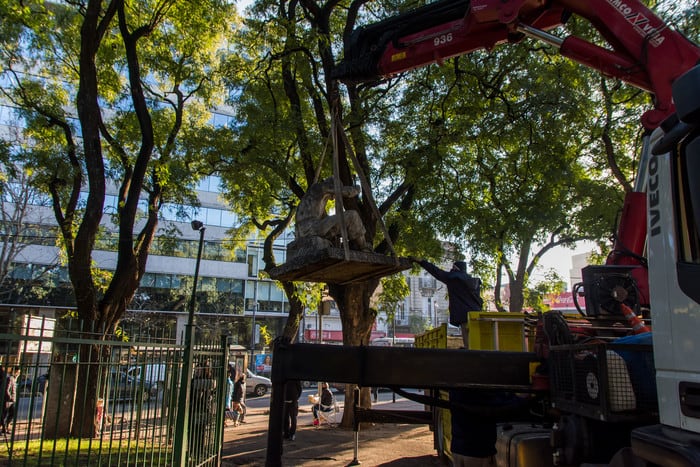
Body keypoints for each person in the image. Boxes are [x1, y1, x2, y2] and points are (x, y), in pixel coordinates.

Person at [410, 258, 482, 348]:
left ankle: (469, 353)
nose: (451, 269)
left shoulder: (454, 278)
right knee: (475, 338)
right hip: (476, 313)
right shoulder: (472, 281)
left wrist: (421, 262)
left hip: (463, 314)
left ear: (456, 268)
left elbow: (437, 272)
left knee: (467, 337)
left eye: (453, 267)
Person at [296, 177, 369, 251]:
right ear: (331, 185)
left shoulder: (316, 202)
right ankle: (364, 247)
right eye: (334, 194)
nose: (334, 197)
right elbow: (346, 192)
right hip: (310, 227)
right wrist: (357, 189)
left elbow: (328, 220)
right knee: (353, 215)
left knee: (337, 227)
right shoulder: (318, 187)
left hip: (307, 228)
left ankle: (354, 244)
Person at [2, 367, 20, 435]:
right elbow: (7, 389)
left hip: (12, 400)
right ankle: (4, 428)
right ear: (14, 371)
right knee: (4, 415)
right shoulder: (10, 378)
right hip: (8, 400)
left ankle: (6, 427)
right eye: (17, 372)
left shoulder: (14, 379)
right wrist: (9, 397)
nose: (18, 374)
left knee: (12, 414)